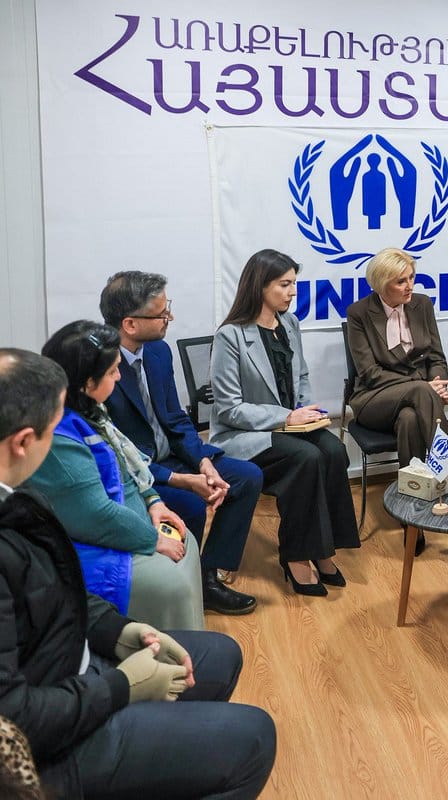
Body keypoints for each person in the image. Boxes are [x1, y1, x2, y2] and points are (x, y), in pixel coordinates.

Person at [0, 348, 276, 798]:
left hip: (77, 664)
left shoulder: (20, 496)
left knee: (221, 655)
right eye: (55, 429)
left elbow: (56, 587)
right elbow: (15, 717)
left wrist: (119, 630)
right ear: (23, 442)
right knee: (255, 737)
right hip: (53, 744)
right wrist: (122, 687)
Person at [99, 270, 261, 616]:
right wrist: (183, 479)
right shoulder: (100, 368)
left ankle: (208, 576)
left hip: (175, 456)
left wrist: (203, 462)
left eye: (166, 308)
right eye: (160, 313)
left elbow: (175, 418)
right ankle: (188, 589)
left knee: (246, 477)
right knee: (189, 501)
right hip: (141, 473)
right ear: (129, 323)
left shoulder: (157, 351)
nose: (169, 317)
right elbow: (118, 451)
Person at [27, 323, 205, 631]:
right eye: (113, 373)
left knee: (184, 539)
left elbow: (125, 461)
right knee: (170, 582)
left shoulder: (91, 411)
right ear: (86, 383)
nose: (120, 378)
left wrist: (154, 501)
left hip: (126, 521)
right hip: (91, 545)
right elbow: (95, 515)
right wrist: (153, 540)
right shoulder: (58, 438)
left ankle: (191, 652)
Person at [210, 248, 360, 596]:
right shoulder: (230, 336)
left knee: (334, 451)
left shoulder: (289, 324)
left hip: (291, 426)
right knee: (306, 459)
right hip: (244, 435)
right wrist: (287, 417)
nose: (293, 291)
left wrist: (307, 412)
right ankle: (296, 557)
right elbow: (229, 409)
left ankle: (323, 550)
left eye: (294, 283)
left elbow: (301, 376)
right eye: (285, 284)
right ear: (260, 285)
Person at [345, 247, 448, 468]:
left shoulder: (422, 304)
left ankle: (414, 491)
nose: (410, 286)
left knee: (409, 419)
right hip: (374, 398)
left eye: (412, 277)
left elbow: (436, 357)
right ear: (382, 285)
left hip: (420, 396)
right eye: (401, 281)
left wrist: (438, 383)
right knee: (421, 391)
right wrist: (424, 386)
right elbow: (370, 374)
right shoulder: (359, 313)